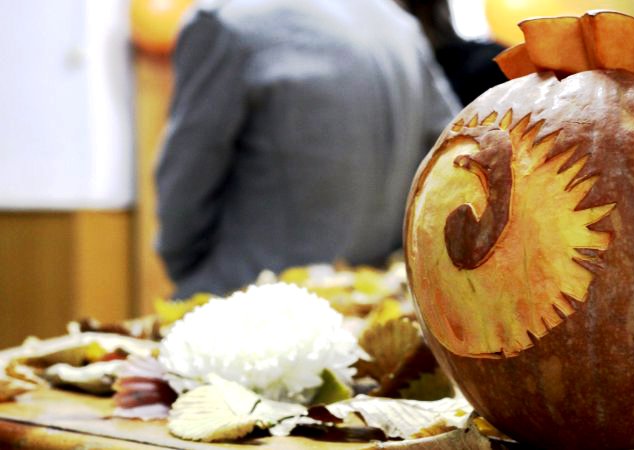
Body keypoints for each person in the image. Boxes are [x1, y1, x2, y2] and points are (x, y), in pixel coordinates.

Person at [155, 0, 460, 299]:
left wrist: (188, 269)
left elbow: (185, 185)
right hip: (377, 302)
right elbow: (452, 152)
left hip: (254, 303)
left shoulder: (226, 23)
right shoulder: (398, 26)